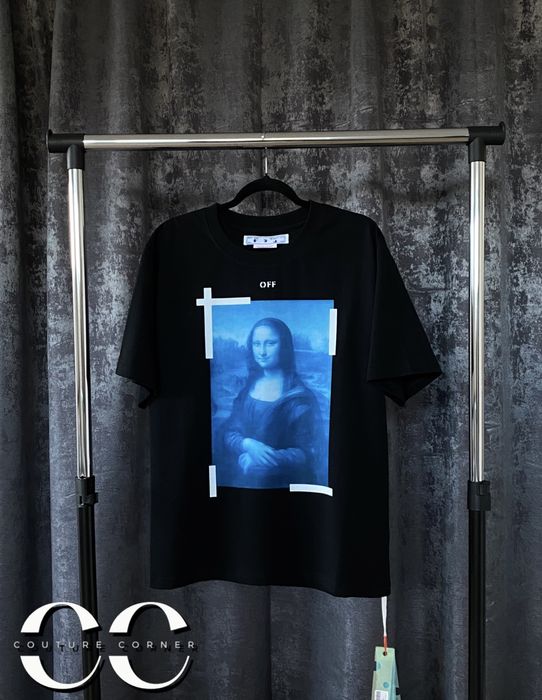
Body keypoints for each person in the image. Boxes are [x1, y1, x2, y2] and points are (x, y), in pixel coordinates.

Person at [217, 317, 326, 489]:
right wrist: (247, 444)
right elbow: (229, 432)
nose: (262, 352)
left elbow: (310, 451)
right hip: (243, 486)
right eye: (256, 344)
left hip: (286, 485)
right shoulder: (247, 390)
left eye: (270, 343)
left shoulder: (300, 398)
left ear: (284, 346)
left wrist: (263, 459)